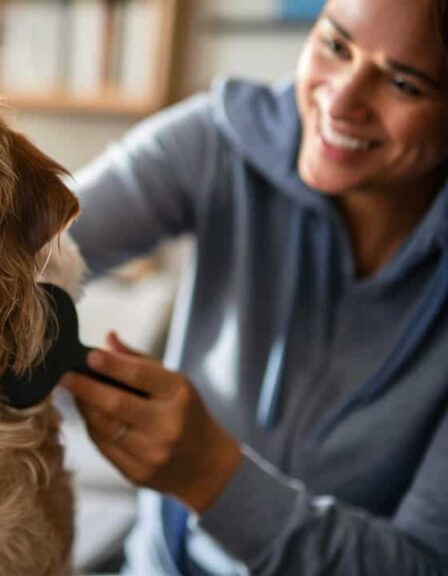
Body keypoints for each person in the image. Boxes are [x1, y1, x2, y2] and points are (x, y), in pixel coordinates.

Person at [60, 0, 448, 573]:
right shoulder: (223, 141)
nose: (340, 100)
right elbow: (25, 246)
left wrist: (212, 477)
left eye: (401, 83)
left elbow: (422, 564)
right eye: (336, 46)